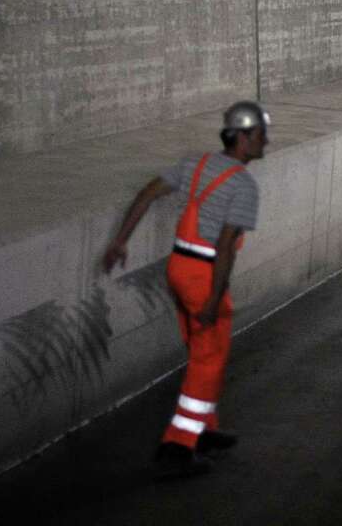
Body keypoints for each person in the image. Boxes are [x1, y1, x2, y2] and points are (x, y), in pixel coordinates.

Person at [103, 101, 269, 479]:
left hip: (178, 266)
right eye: (261, 135)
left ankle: (204, 431)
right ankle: (178, 445)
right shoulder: (243, 186)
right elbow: (226, 247)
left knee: (201, 350)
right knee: (209, 356)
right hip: (204, 275)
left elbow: (146, 193)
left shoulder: (195, 164)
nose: (266, 141)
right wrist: (213, 298)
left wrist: (120, 242)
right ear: (243, 138)